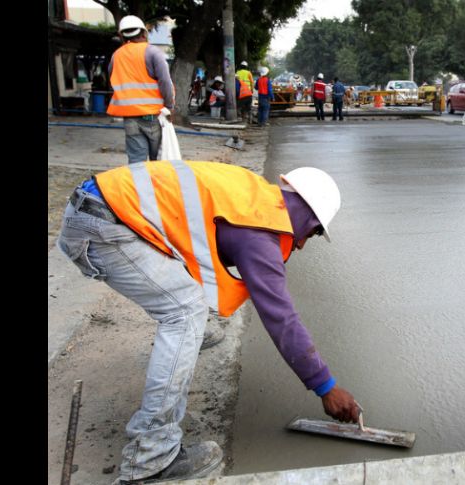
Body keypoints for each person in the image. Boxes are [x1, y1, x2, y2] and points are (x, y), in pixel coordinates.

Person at [56, 161, 361, 484]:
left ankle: (183, 349)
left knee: (187, 307)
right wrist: (325, 386)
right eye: (312, 233)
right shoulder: (258, 234)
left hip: (101, 210)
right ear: (308, 216)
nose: (301, 244)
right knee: (185, 313)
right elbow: (281, 318)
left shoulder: (250, 194)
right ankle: (150, 458)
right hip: (103, 229)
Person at [107, 15, 175, 164]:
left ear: (121, 35)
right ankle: (156, 186)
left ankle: (140, 187)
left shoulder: (116, 56)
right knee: (158, 162)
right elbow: (165, 82)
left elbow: (112, 79)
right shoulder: (153, 53)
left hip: (130, 119)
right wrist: (169, 107)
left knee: (137, 164)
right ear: (144, 33)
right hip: (154, 117)